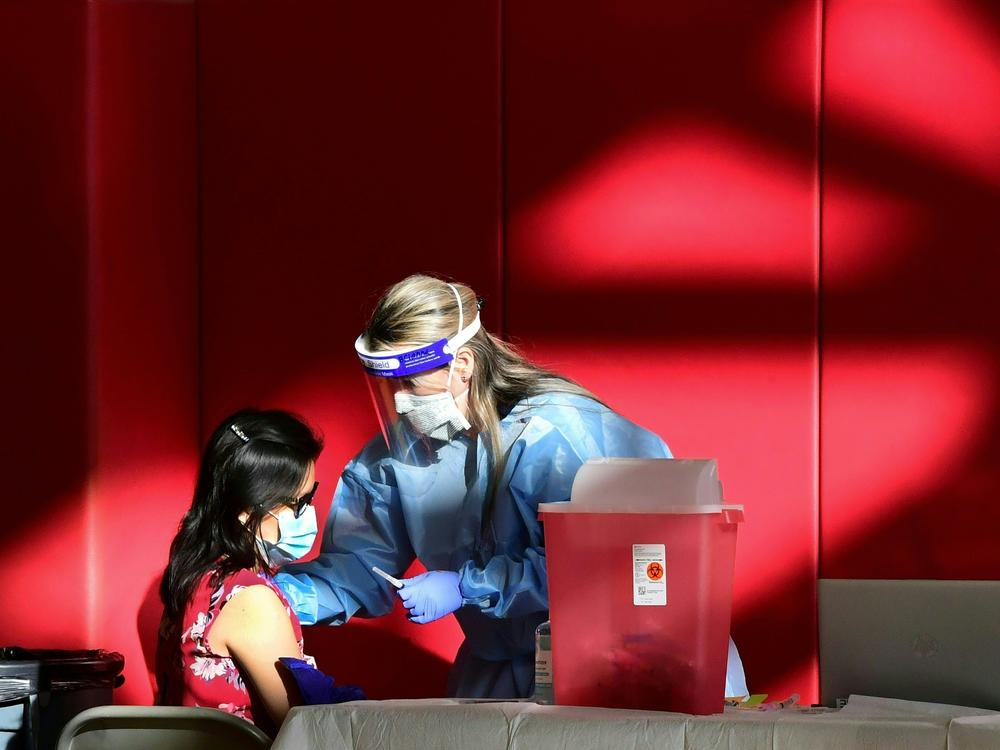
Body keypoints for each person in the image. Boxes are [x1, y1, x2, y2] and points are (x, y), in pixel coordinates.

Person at [276, 274, 747, 698]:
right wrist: (265, 595)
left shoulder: (558, 436)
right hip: (504, 671)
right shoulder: (398, 459)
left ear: (462, 365)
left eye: (408, 384)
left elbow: (612, 565)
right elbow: (359, 567)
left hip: (631, 665)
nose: (398, 403)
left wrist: (468, 586)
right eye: (385, 386)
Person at [157, 408, 323, 736]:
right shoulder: (251, 599)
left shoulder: (195, 577)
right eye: (298, 504)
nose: (309, 515)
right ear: (246, 511)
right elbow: (305, 730)